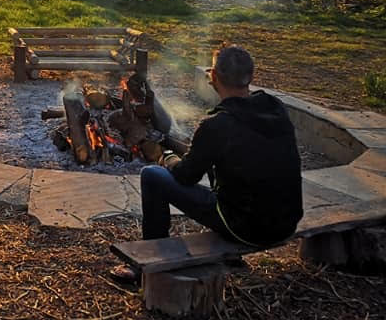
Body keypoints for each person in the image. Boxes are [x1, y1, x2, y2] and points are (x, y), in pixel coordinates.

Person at [111, 44, 303, 282]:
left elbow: (185, 176)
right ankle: (230, 255)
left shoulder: (217, 125)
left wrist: (167, 158)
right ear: (251, 76)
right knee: (233, 175)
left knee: (152, 176)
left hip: (246, 228)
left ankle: (151, 262)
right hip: (286, 223)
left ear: (213, 77)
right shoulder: (276, 109)